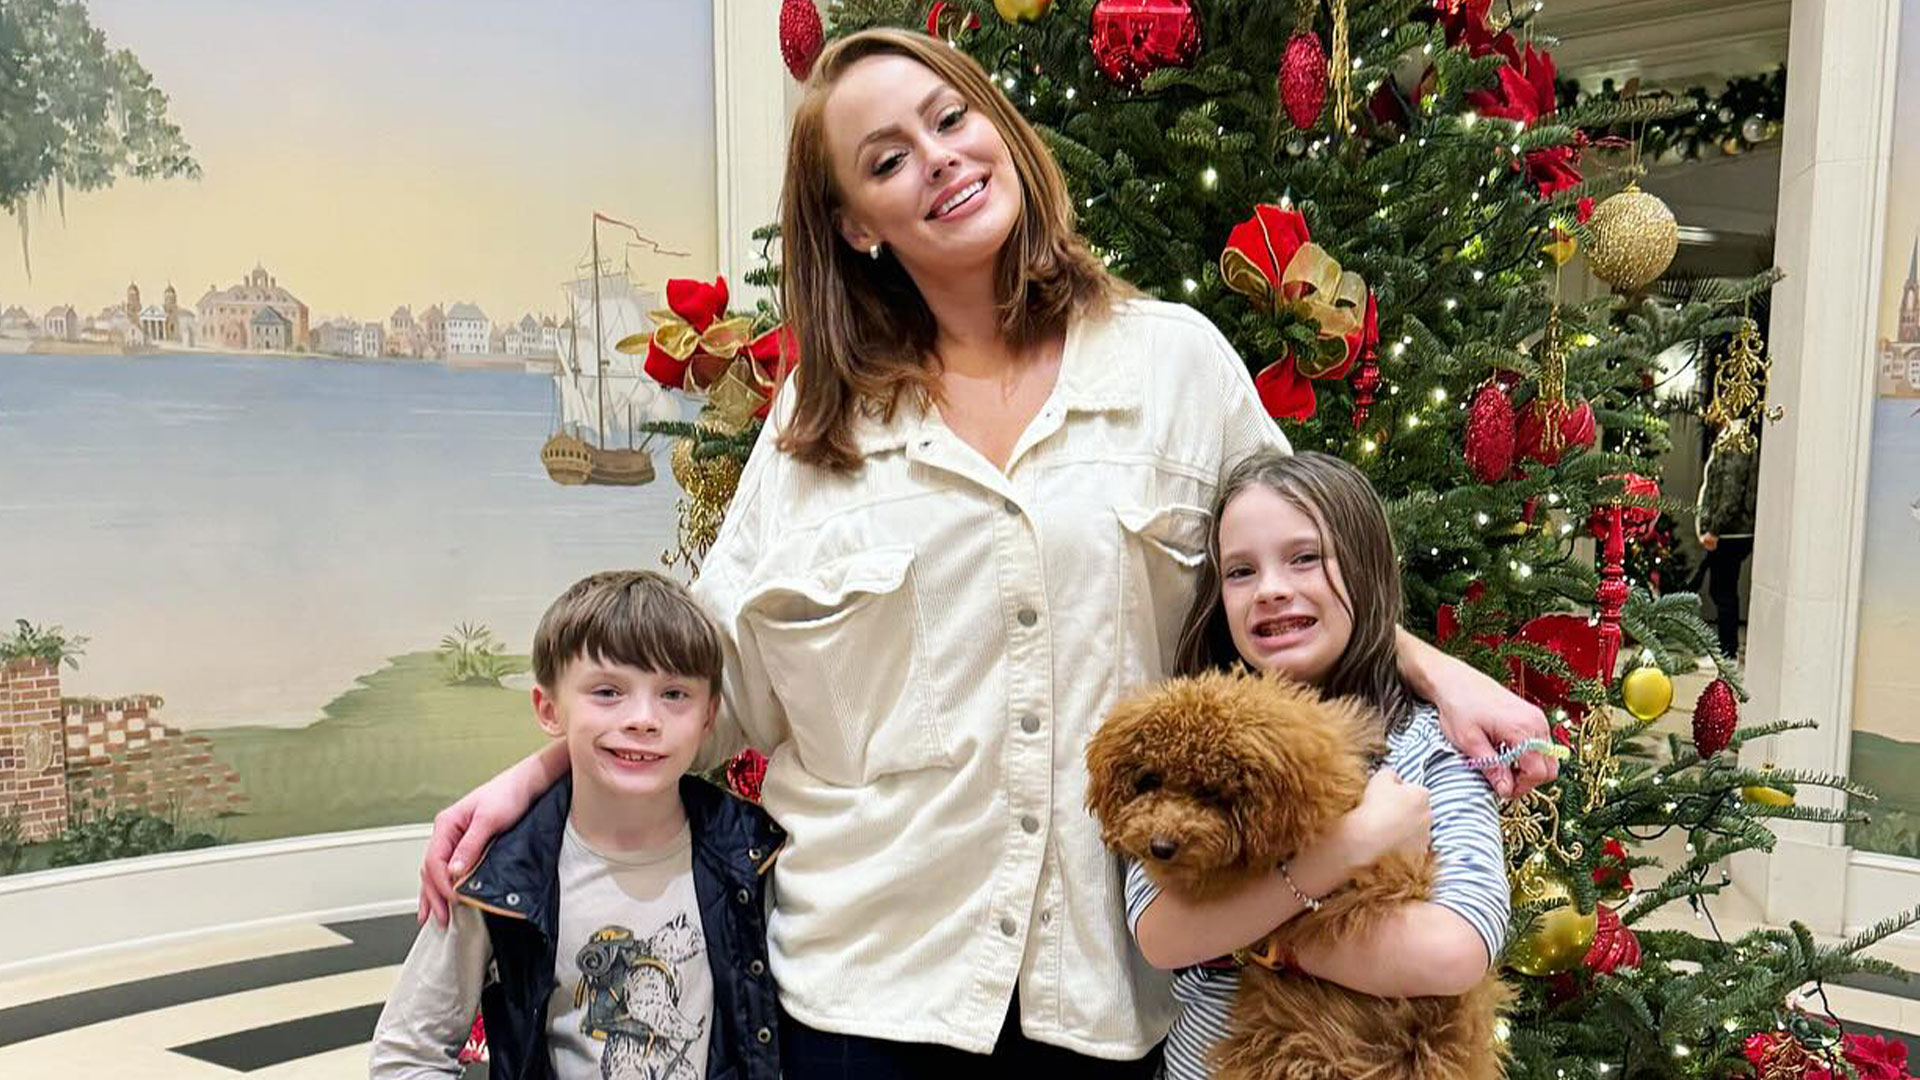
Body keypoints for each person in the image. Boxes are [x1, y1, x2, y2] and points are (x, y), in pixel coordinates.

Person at [416, 28, 1552, 1078]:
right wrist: (537, 775)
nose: (940, 159)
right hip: (864, 996)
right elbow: (707, 685)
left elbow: (1295, 582)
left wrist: (1438, 671)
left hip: (1110, 994)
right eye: (888, 158)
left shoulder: (1178, 367)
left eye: (951, 118)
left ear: (998, 127)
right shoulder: (815, 422)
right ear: (856, 222)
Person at [1125, 451, 1508, 1079]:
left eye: (1304, 558)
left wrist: (1251, 934)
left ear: (1364, 569)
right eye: (1241, 571)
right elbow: (1164, 935)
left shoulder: (1429, 745)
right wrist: (1352, 845)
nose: (1271, 589)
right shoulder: (1179, 735)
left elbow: (1455, 950)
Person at [370, 571, 781, 1080]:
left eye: (674, 694)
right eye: (608, 691)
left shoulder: (753, 853)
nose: (643, 719)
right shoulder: (497, 873)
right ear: (549, 710)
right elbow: (406, 1052)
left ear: (708, 716)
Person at [1696, 438, 1759, 661]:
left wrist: (1714, 529)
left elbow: (1731, 493)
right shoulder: (1731, 440)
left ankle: (1726, 653)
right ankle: (1726, 650)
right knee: (1722, 590)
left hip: (1731, 533)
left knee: (1723, 591)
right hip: (1730, 531)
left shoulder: (1736, 442)